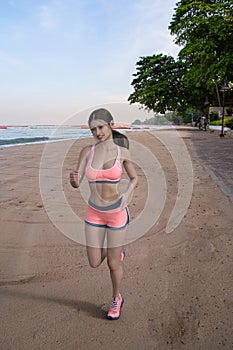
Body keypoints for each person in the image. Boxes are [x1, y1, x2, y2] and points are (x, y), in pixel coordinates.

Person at [70, 108, 138, 320]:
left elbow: (135, 178)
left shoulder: (122, 152)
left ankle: (116, 298)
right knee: (93, 262)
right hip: (94, 212)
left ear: (111, 125)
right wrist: (73, 181)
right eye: (93, 129)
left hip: (116, 212)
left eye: (100, 127)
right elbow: (77, 181)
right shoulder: (86, 152)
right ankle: (116, 250)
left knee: (112, 264)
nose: (97, 132)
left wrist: (128, 193)